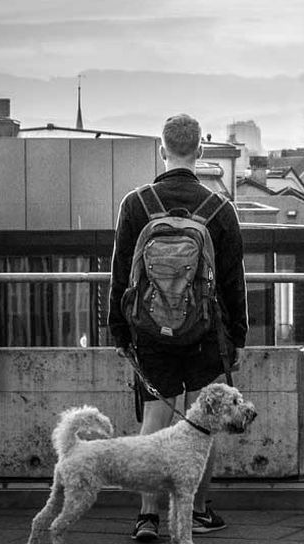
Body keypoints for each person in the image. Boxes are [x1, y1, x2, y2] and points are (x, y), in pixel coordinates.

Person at [108, 114, 247, 542]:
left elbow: (119, 274)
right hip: (205, 330)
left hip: (150, 330)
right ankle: (198, 512)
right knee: (202, 421)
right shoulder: (219, 208)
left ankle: (148, 517)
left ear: (162, 148)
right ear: (200, 152)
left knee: (155, 414)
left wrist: (119, 329)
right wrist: (237, 335)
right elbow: (232, 279)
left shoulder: (136, 204)